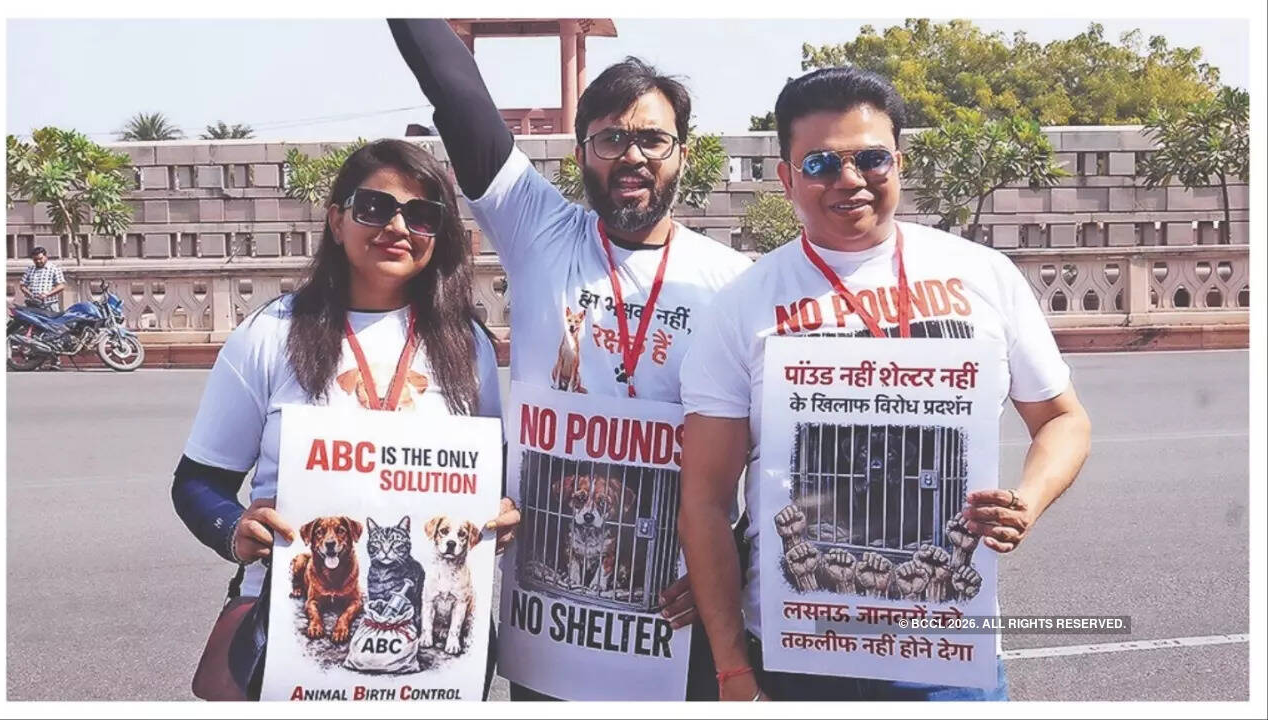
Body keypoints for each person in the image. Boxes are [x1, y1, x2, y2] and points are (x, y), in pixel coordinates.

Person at [678, 67, 1092, 701]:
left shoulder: (984, 276)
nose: (849, 180)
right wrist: (732, 670)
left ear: (899, 162)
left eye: (870, 158)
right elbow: (706, 500)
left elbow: (1063, 419)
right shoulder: (742, 305)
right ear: (787, 178)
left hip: (947, 655)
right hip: (798, 656)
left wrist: (1027, 501)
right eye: (820, 163)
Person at [386, 19, 752, 700]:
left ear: (684, 153)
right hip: (552, 619)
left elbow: (767, 454)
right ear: (582, 153)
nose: (632, 156)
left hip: (680, 608)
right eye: (610, 139)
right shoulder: (540, 230)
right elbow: (456, 93)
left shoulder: (735, 283)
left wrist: (732, 564)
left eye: (652, 139)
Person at [171, 139, 520, 698]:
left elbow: (491, 482)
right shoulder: (271, 334)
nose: (397, 227)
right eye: (375, 208)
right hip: (289, 626)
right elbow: (197, 482)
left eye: (422, 215)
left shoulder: (467, 344)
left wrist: (499, 514)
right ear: (337, 221)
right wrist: (234, 530)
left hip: (427, 645)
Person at [20, 247, 66, 312]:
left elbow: (61, 286)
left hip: (50, 305)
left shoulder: (54, 269)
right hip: (32, 305)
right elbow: (22, 286)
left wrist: (47, 294)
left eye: (40, 258)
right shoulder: (30, 269)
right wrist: (30, 294)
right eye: (35, 259)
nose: (38, 261)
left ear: (46, 257)